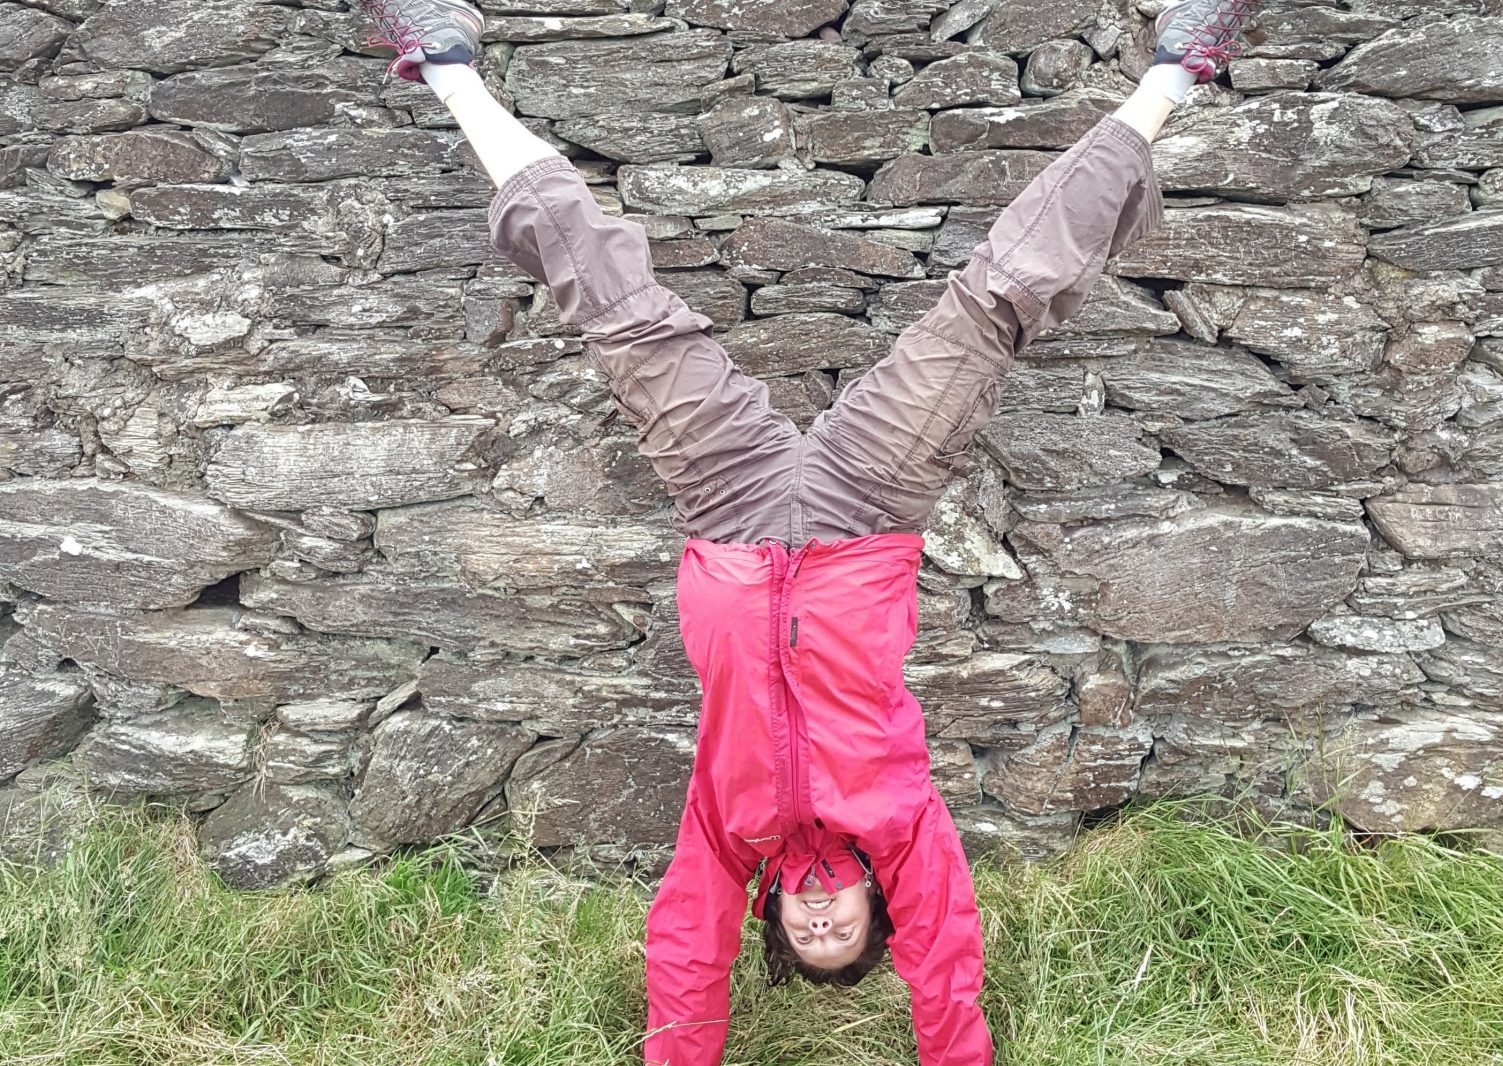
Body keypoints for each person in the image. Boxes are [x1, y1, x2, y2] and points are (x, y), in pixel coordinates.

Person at [356, 0, 1258, 1062]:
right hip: (868, 506)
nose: (824, 924)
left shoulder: (723, 834)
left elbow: (686, 953)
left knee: (609, 298)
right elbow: (949, 951)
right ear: (880, 912)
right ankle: (1175, 71)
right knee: (995, 301)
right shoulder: (902, 826)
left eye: (808, 936)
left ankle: (449, 62)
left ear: (776, 922)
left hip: (726, 500)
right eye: (849, 934)